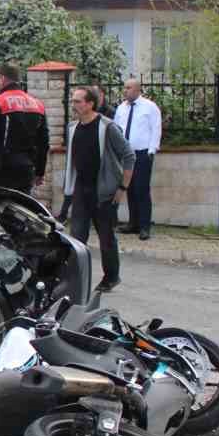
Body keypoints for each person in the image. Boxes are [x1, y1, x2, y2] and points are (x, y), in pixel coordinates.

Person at [61, 85, 134, 293]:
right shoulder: (72, 127)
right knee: (76, 238)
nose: (73, 105)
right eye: (73, 101)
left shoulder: (107, 127)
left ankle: (111, 276)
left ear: (90, 103)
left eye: (77, 101)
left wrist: (122, 187)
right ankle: (76, 279)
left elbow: (129, 155)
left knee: (106, 238)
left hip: (104, 191)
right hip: (81, 190)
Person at [0, 63, 49, 195]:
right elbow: (43, 143)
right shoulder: (38, 105)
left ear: (2, 78)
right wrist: (39, 172)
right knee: (22, 209)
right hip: (26, 170)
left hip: (0, 170)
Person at [115, 77, 161, 239]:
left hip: (142, 153)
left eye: (128, 88)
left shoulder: (149, 107)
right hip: (126, 155)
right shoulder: (121, 108)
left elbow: (156, 129)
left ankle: (144, 226)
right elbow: (116, 130)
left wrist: (152, 150)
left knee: (141, 189)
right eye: (124, 87)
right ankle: (132, 223)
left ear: (137, 90)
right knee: (129, 188)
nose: (125, 90)